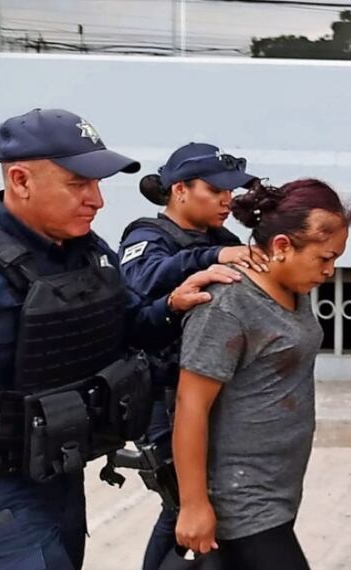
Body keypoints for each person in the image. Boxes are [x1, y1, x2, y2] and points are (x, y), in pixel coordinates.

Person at [0, 108, 237, 569]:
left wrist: (170, 306)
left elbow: (129, 326)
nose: (97, 200)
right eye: (78, 184)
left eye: (97, 184)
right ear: (20, 180)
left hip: (61, 480)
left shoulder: (88, 253)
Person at [173, 179, 351, 569]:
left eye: (336, 259)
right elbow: (189, 404)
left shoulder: (295, 287)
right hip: (241, 496)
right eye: (324, 258)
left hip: (280, 488)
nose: (329, 271)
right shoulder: (227, 306)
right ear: (281, 246)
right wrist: (194, 505)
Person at [118, 142, 264, 570]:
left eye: (230, 190)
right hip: (164, 397)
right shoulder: (147, 235)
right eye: (216, 189)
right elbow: (143, 280)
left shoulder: (222, 237)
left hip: (211, 390)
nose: (226, 200)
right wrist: (211, 256)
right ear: (180, 189)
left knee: (194, 504)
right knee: (182, 503)